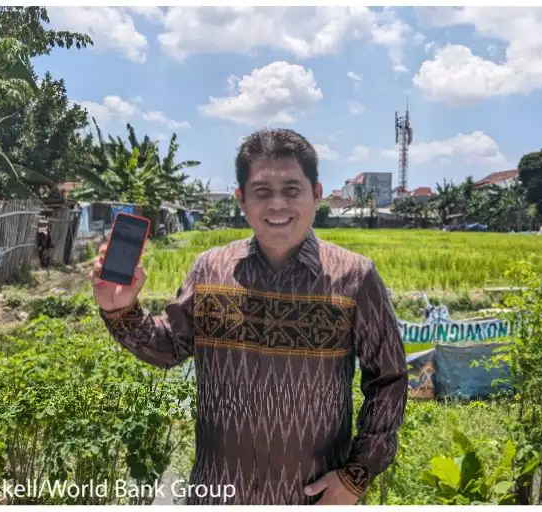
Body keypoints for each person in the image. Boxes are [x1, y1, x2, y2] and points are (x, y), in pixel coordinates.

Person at [90, 128, 408, 505]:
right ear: (241, 199)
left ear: (316, 195)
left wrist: (357, 474)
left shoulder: (355, 277)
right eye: (261, 192)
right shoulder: (210, 270)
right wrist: (120, 309)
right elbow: (169, 347)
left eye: (292, 189)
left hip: (311, 497)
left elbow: (388, 377)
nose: (277, 205)